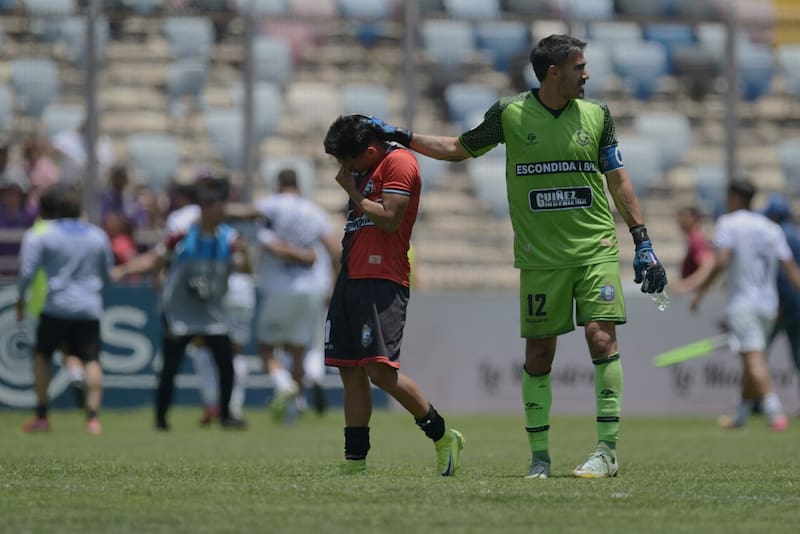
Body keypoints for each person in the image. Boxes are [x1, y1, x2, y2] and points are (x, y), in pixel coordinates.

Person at [363, 34, 668, 478]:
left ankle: (606, 451)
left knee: (601, 338)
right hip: (540, 257)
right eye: (580, 67)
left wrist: (642, 239)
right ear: (553, 73)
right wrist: (401, 136)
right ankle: (540, 458)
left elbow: (619, 181)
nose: (587, 74)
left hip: (595, 249)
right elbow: (457, 148)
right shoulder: (509, 114)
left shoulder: (599, 115)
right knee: (540, 354)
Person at [323, 114, 465, 476]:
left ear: (370, 150)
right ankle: (355, 462)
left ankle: (442, 434)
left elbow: (389, 219)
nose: (344, 168)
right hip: (351, 277)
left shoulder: (400, 162)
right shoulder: (364, 166)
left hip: (382, 278)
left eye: (349, 160)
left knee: (380, 372)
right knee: (349, 372)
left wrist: (353, 192)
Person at [112, 176, 247, 430]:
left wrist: (244, 255)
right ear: (205, 209)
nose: (222, 212)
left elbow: (246, 268)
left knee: (225, 364)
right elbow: (154, 260)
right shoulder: (182, 238)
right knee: (170, 367)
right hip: (180, 314)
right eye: (218, 207)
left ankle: (227, 414)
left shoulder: (230, 239)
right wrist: (123, 271)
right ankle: (161, 418)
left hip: (211, 313)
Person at [691, 180, 800, 431]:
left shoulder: (729, 224)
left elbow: (720, 262)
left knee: (753, 359)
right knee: (752, 356)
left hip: (744, 304)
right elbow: (791, 268)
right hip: (769, 305)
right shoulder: (771, 228)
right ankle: (740, 414)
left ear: (734, 197)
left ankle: (775, 413)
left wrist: (701, 292)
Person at [16, 185, 113, 434]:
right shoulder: (97, 235)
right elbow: (106, 272)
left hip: (55, 306)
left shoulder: (43, 235)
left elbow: (27, 271)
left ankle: (42, 415)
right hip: (88, 307)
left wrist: (20, 299)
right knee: (91, 360)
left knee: (42, 356)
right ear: (80, 209)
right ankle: (93, 419)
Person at [254, 168, 341, 423]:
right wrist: (334, 285)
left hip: (281, 286)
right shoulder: (313, 211)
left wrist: (297, 255)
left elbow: (264, 240)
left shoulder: (270, 206)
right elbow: (336, 251)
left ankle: (284, 385)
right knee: (298, 349)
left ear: (278, 184)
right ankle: (294, 410)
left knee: (266, 347)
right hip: (314, 288)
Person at [762, 193, 800, 408]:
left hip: (783, 307)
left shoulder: (778, 235)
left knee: (758, 353)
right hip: (796, 306)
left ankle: (757, 403)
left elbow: (783, 276)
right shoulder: (795, 234)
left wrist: (780, 304)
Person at [672, 206, 715, 295]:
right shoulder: (692, 238)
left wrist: (686, 285)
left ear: (694, 218)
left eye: (685, 216)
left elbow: (708, 266)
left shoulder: (696, 238)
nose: (681, 220)